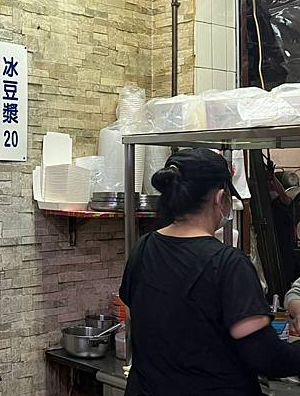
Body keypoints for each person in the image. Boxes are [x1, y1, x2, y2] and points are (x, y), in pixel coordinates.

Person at [119, 148, 300, 396]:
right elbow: (266, 358)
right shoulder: (228, 264)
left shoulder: (143, 247)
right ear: (220, 198)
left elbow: (134, 315)